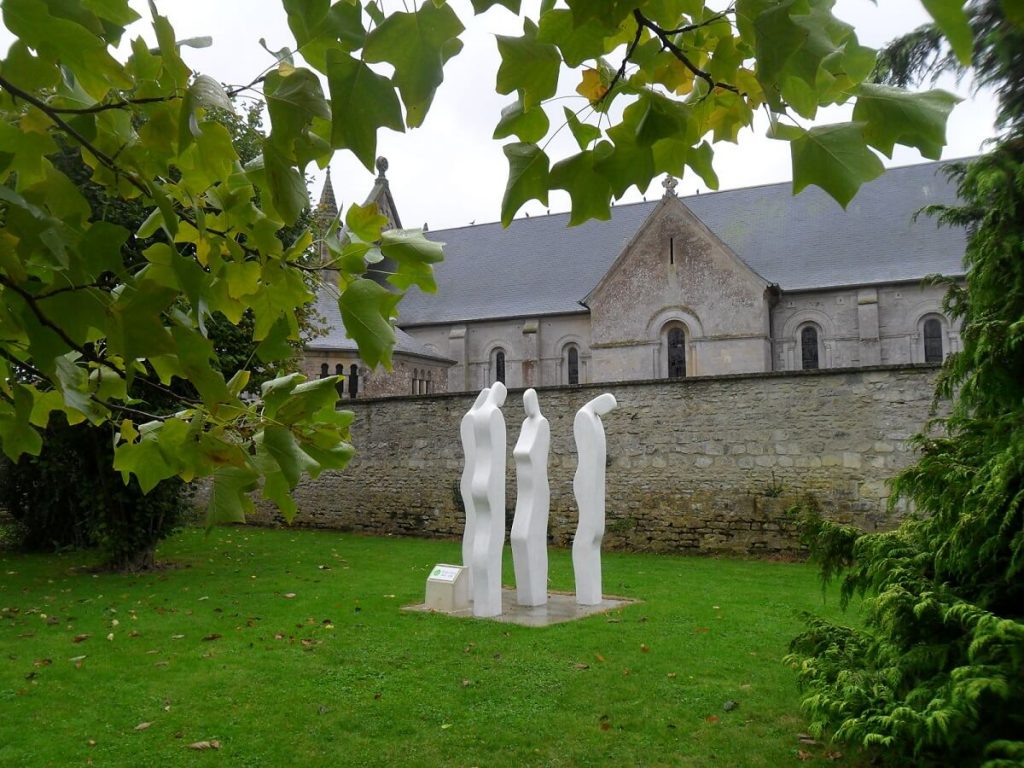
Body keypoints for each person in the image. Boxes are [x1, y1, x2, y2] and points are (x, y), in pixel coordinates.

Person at [572, 393, 617, 606]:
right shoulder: (583, 417)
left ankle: (591, 594)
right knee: (586, 535)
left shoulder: (595, 420)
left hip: (594, 487)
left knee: (595, 534)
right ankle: (586, 593)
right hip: (587, 485)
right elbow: (587, 460)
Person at [510, 388, 551, 607]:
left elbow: (532, 454)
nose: (525, 406)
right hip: (523, 491)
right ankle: (527, 595)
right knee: (518, 537)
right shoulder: (526, 424)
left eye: (528, 402)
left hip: (536, 489)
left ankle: (536, 594)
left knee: (528, 537)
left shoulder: (542, 424)